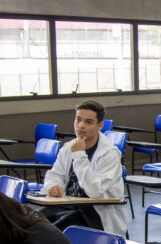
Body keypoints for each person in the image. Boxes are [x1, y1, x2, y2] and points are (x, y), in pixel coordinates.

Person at [40, 100, 127, 236]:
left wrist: (80, 155)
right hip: (66, 206)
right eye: (78, 120)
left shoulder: (110, 153)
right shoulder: (69, 147)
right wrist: (53, 185)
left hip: (93, 212)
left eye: (88, 122)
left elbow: (94, 191)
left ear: (100, 125)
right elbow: (55, 174)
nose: (81, 126)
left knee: (49, 234)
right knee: (28, 224)